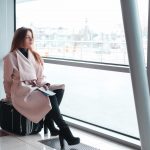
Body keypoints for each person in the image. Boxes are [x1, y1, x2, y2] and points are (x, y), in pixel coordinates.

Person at [3, 27, 80, 148]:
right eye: (28, 37)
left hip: (35, 87)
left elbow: (40, 77)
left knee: (59, 88)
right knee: (50, 96)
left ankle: (49, 121)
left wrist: (44, 84)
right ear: (19, 38)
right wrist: (9, 98)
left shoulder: (34, 55)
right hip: (21, 92)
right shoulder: (10, 57)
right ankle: (65, 131)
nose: (31, 40)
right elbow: (7, 81)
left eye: (31, 37)